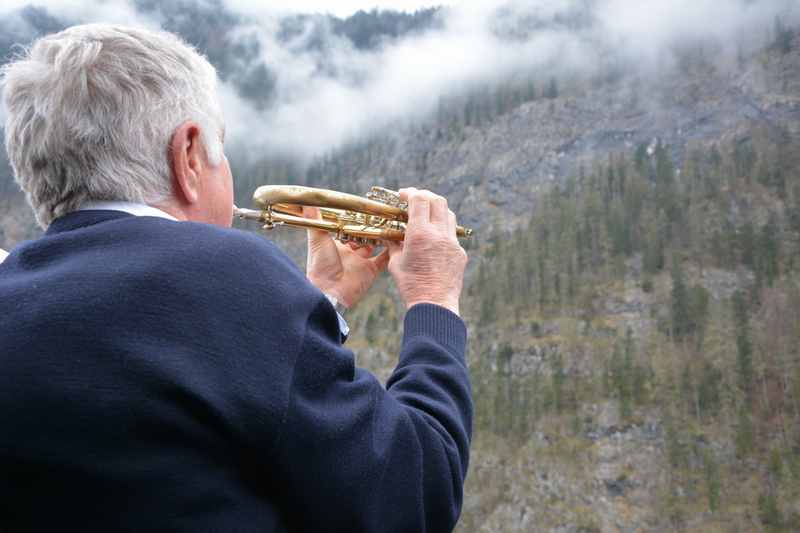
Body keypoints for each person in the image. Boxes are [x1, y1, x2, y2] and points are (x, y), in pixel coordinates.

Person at [0, 24, 472, 532]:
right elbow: (417, 494)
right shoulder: (229, 274)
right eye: (221, 152)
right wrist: (433, 300)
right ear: (188, 156)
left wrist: (321, 302)